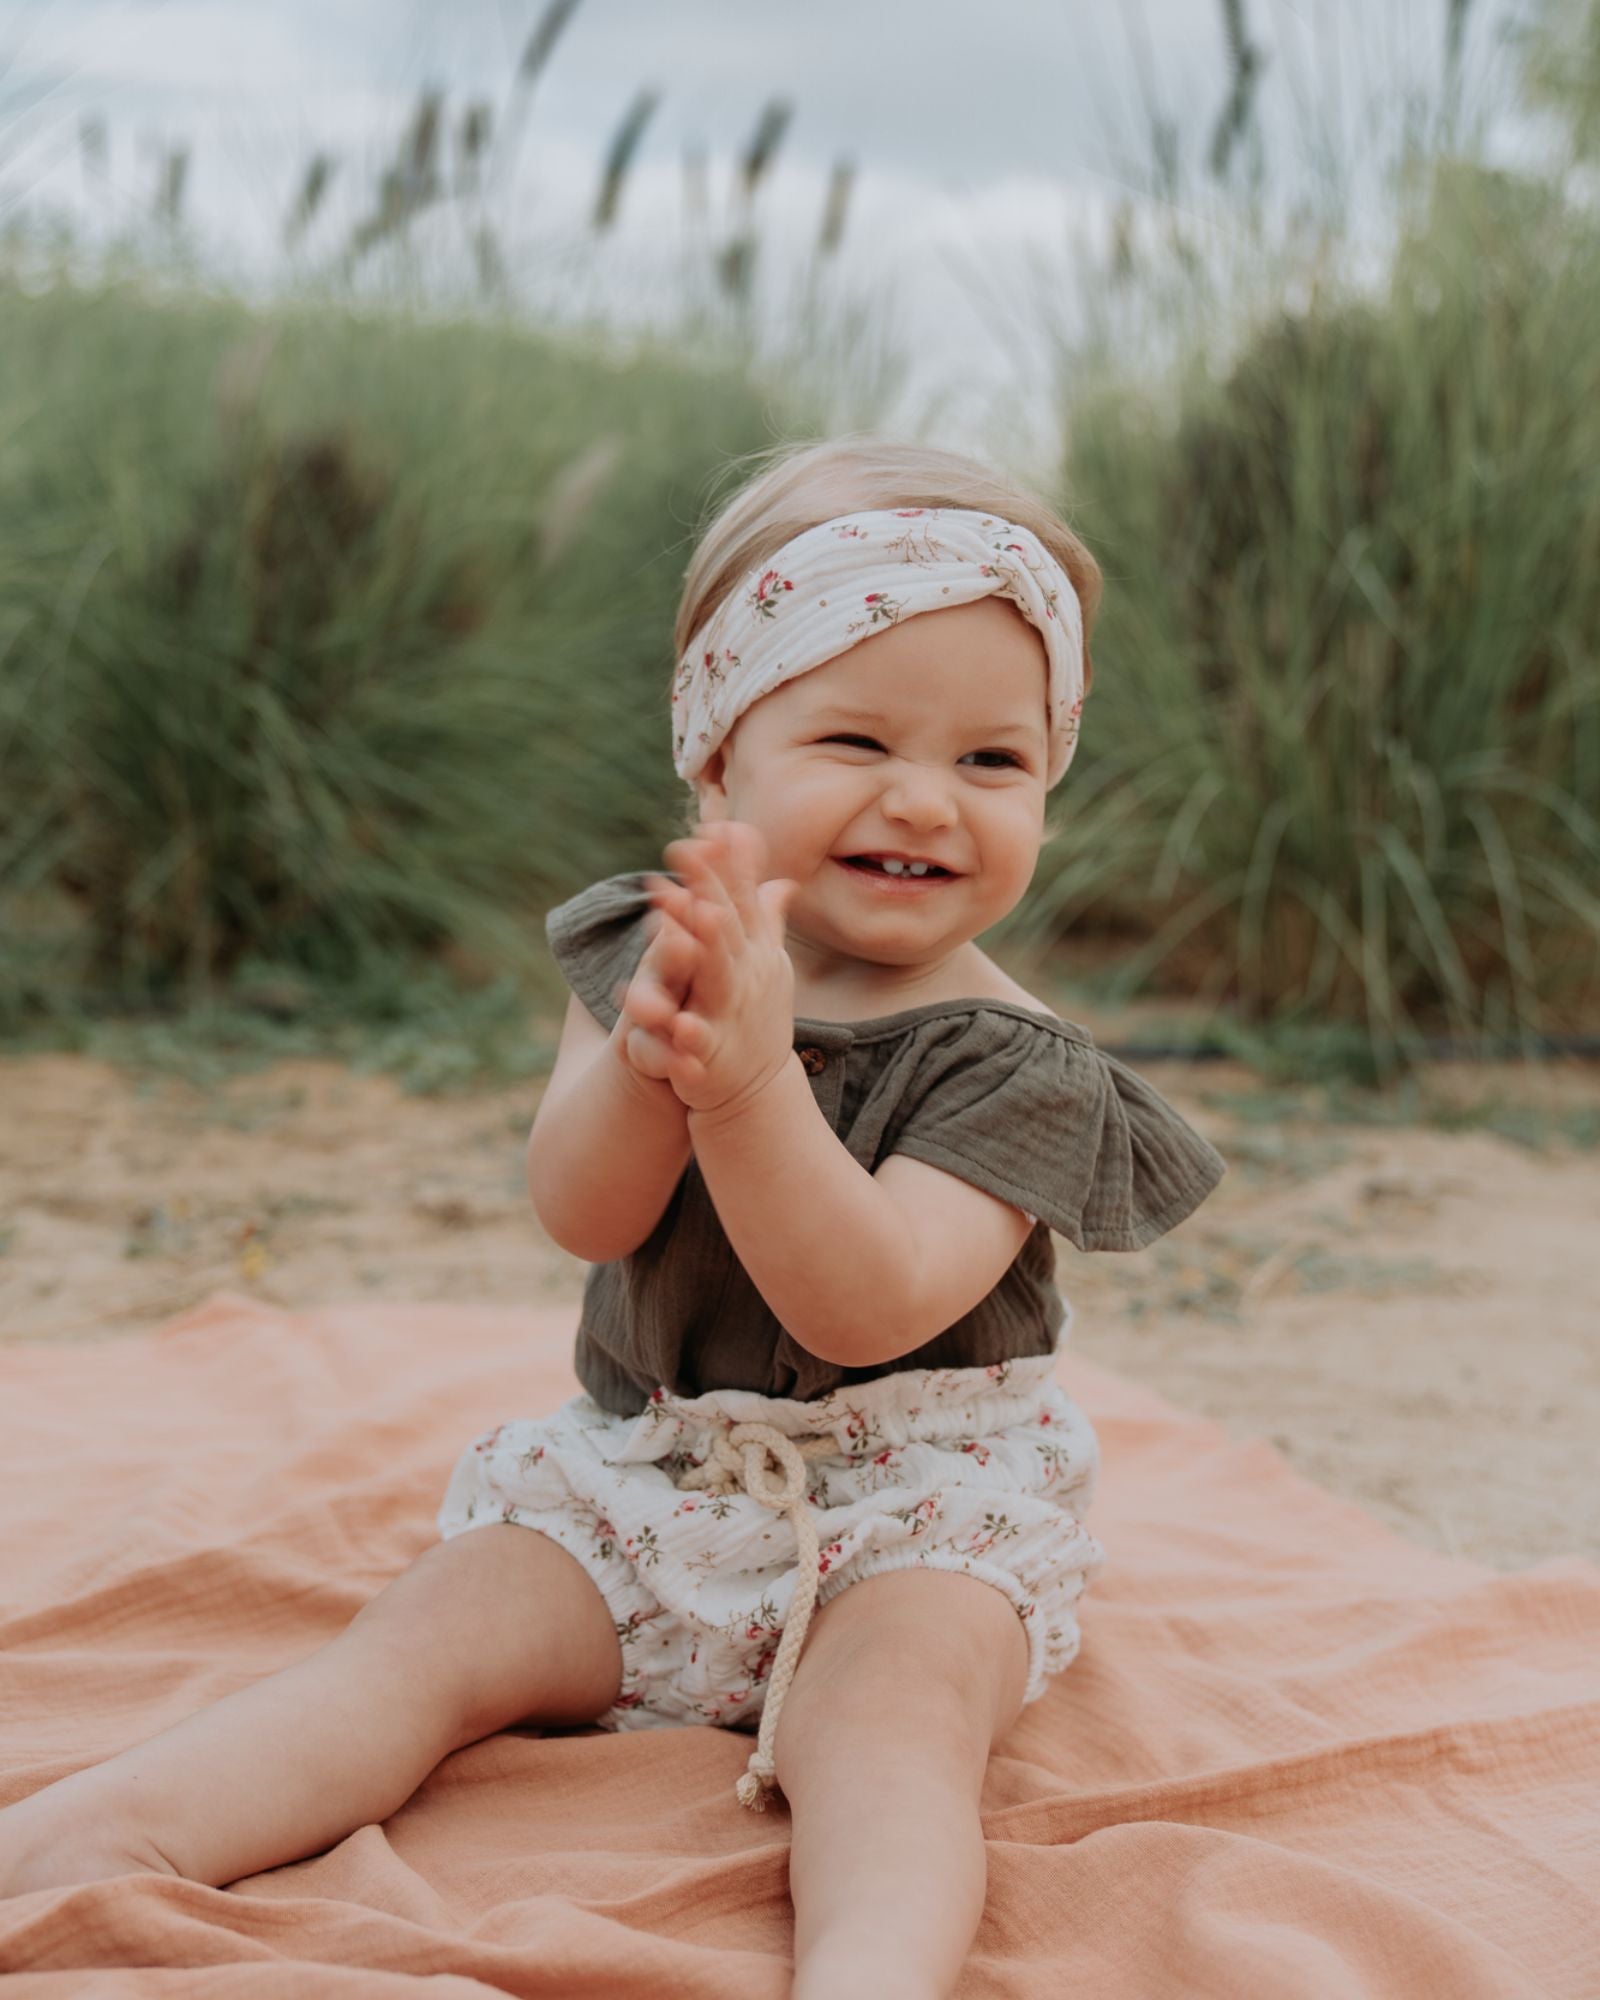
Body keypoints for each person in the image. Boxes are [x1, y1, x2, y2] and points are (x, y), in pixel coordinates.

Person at [0, 434, 1226, 1999]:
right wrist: (663, 1057)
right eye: (855, 737)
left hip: (914, 1502)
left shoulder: (1021, 1066)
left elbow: (866, 1303)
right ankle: (94, 1840)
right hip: (651, 1472)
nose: (927, 798)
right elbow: (584, 1210)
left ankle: (871, 1978)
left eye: (994, 761)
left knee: (892, 1735)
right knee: (416, 1646)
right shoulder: (655, 950)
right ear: (718, 758)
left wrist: (750, 1087)